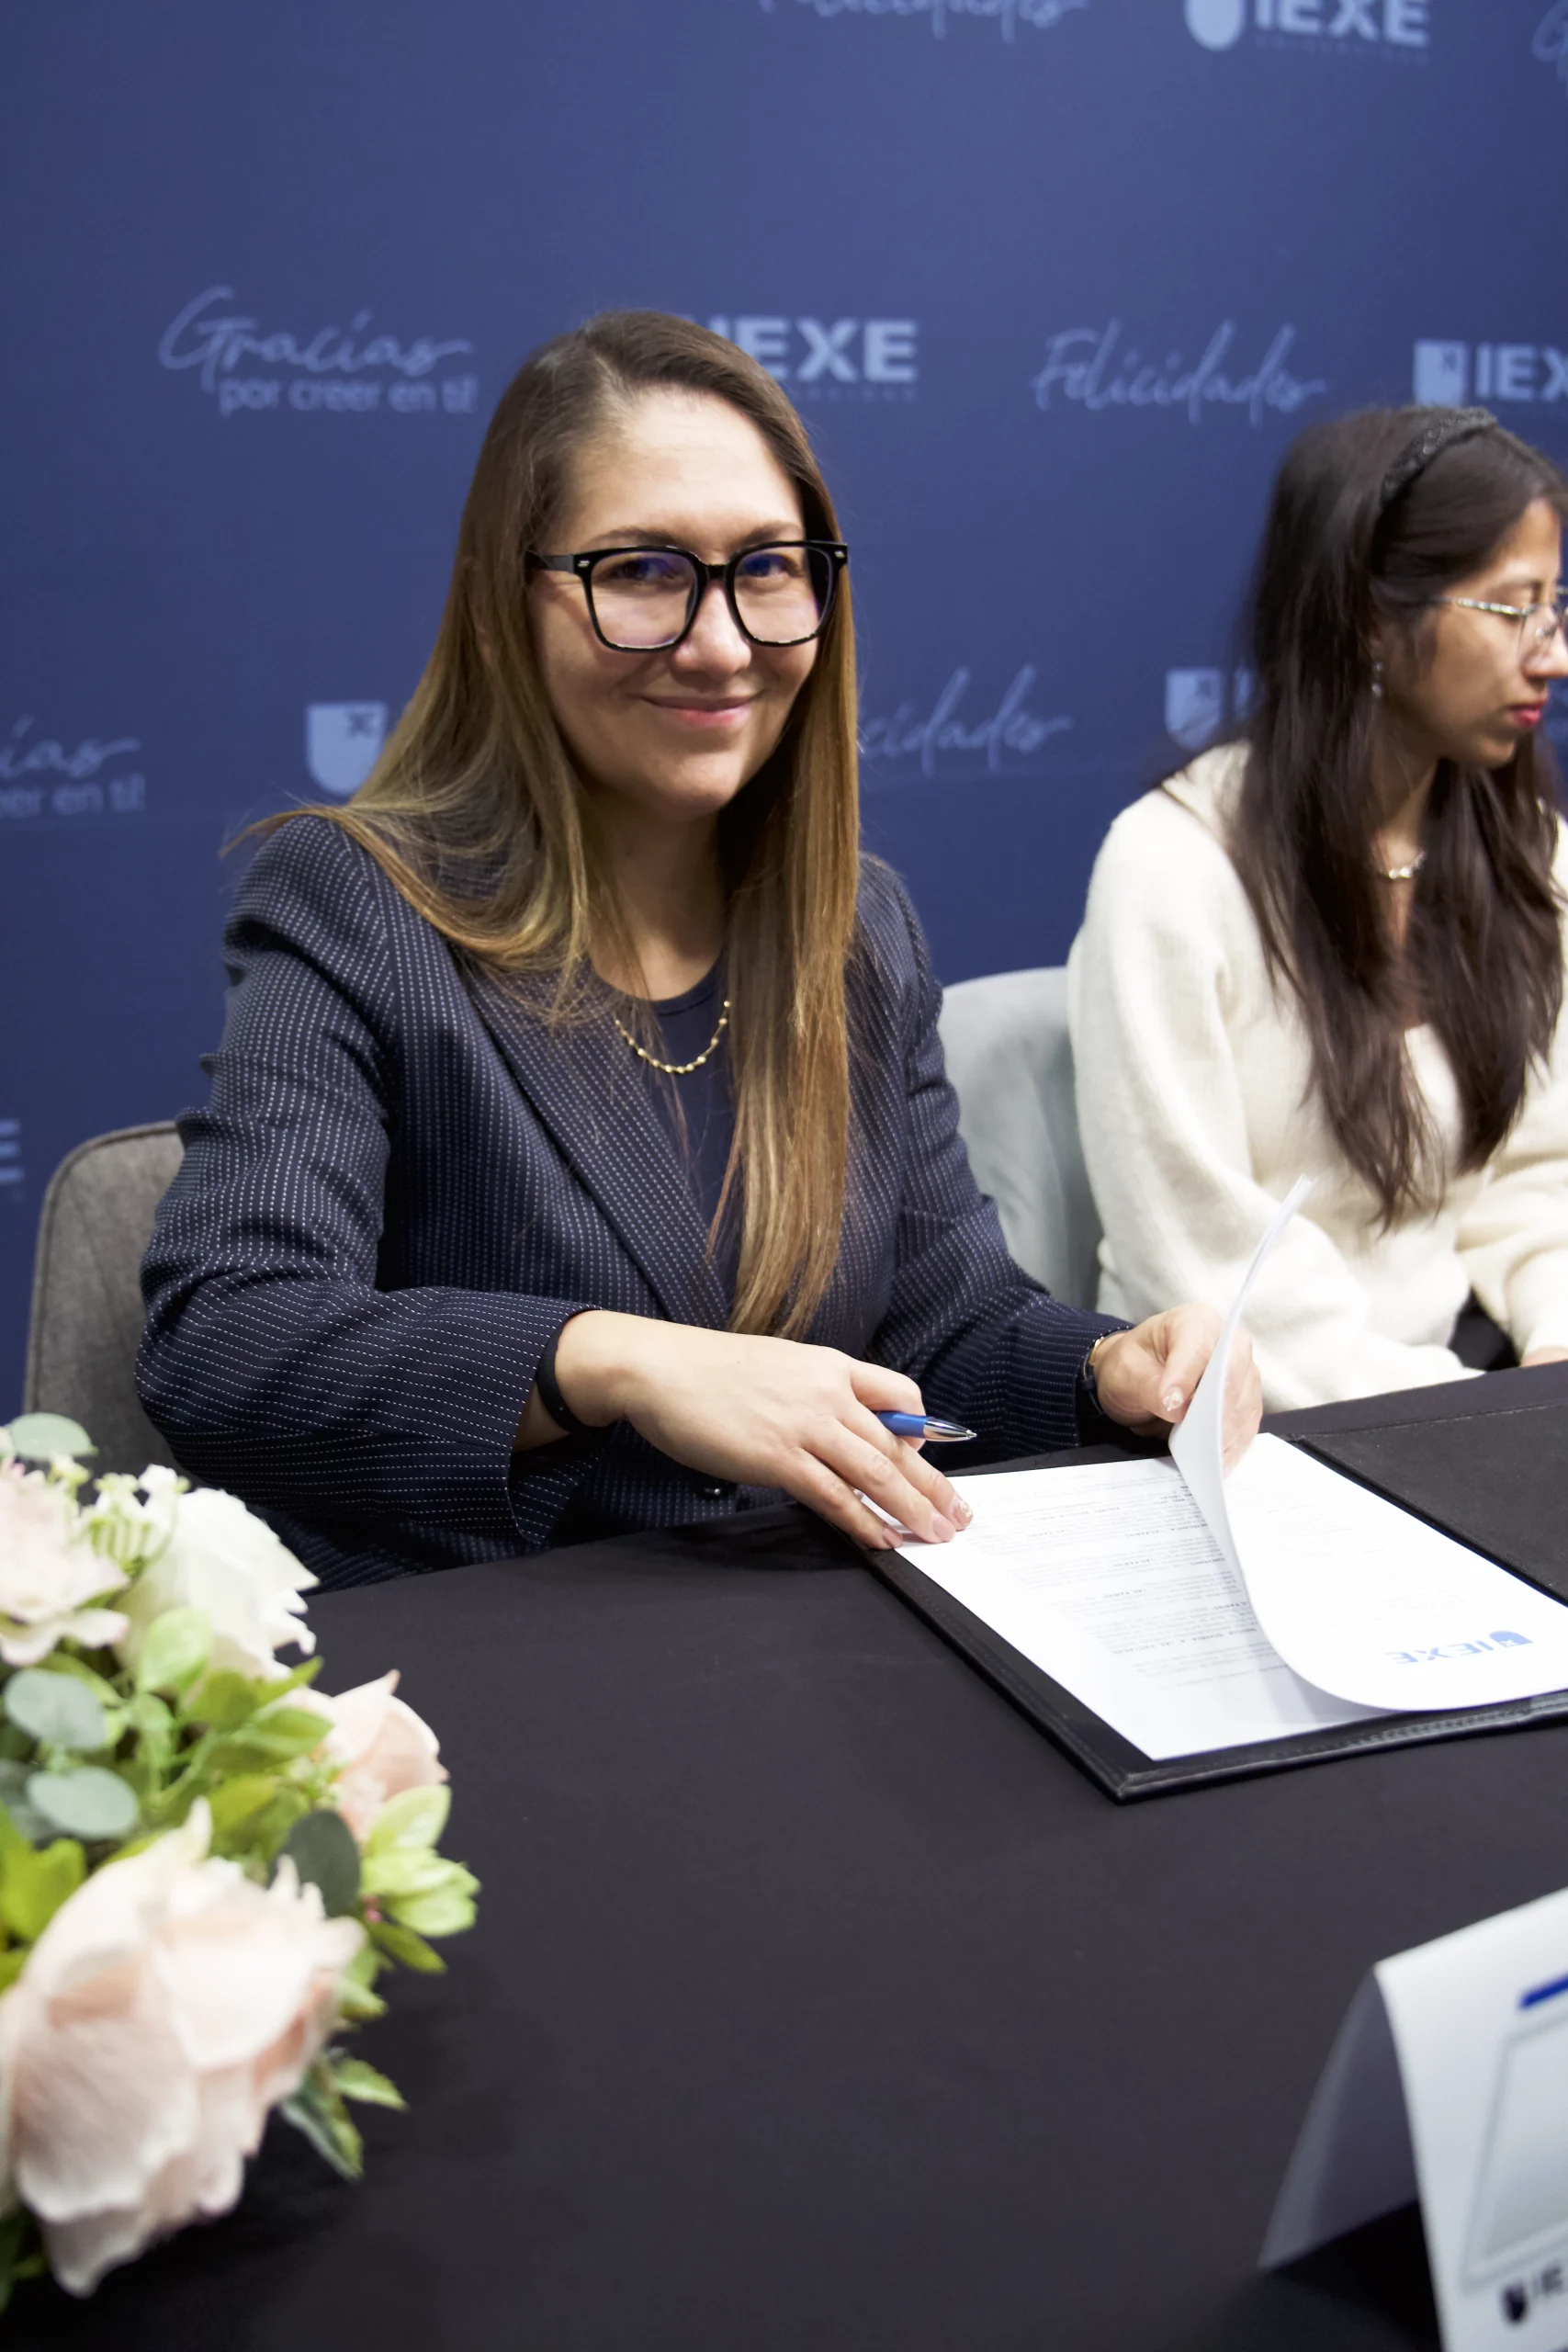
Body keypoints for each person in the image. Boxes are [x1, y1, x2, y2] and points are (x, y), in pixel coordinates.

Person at [138, 311, 1256, 1589]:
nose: (721, 643)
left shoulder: (857, 927)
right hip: (493, 1654)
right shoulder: (358, 903)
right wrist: (610, 1361)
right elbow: (227, 1337)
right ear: (503, 609)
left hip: (816, 1638)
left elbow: (944, 1327)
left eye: (767, 567)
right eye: (642, 571)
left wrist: (1102, 1372)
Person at [1069, 404, 1568, 1410]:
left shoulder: (1529, 853)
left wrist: (1552, 1353)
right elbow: (1201, 1264)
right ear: (1368, 615)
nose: (1550, 654)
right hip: (1237, 1421)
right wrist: (1467, 1415)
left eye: (1554, 607)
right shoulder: (1171, 870)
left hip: (1457, 1394)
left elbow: (1534, 1177)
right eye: (1512, 609)